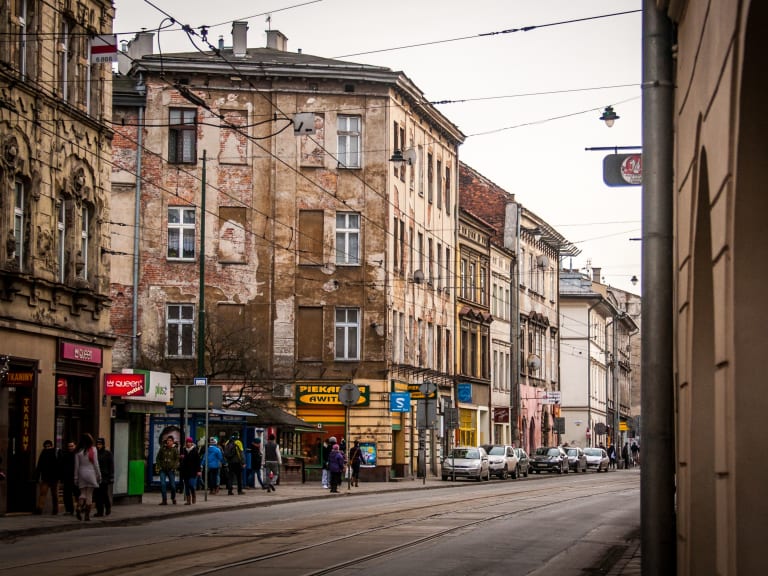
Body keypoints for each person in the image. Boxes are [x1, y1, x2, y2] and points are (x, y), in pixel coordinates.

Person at [74, 433, 101, 521]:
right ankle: (87, 515)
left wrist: (76, 477)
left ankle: (78, 507)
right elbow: (96, 464)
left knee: (82, 493)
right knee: (89, 494)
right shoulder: (93, 449)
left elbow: (76, 466)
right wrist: (99, 475)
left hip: (82, 472)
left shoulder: (78, 451)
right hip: (91, 472)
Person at [34, 440, 59, 515]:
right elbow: (39, 466)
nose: (48, 448)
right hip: (47, 477)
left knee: (53, 494)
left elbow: (39, 466)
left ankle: (55, 509)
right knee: (44, 493)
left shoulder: (54, 452)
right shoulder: (45, 453)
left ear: (52, 446)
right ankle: (40, 509)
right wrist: (37, 476)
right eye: (46, 446)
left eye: (49, 446)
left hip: (53, 477)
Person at [156, 435, 179, 505]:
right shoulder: (162, 448)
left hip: (171, 470)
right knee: (163, 484)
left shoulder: (174, 449)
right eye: (168, 440)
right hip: (162, 469)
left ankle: (173, 497)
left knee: (173, 485)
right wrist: (159, 466)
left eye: (170, 441)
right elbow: (158, 458)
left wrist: (174, 467)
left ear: (172, 442)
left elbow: (177, 459)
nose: (168, 442)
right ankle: (164, 500)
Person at [94, 438, 114, 517]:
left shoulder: (107, 453)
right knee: (97, 495)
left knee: (104, 494)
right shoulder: (95, 453)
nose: (98, 446)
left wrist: (111, 476)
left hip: (105, 476)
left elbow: (111, 465)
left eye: (100, 444)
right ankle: (100, 511)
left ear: (103, 444)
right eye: (97, 444)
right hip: (96, 477)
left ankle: (108, 506)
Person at [58, 440, 79, 515]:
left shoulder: (77, 455)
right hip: (67, 478)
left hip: (76, 478)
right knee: (67, 495)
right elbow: (61, 466)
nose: (70, 448)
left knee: (78, 494)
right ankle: (69, 510)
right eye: (69, 446)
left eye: (72, 446)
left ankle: (80, 508)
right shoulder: (65, 455)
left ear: (75, 446)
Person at [180, 437, 201, 505]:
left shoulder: (195, 451)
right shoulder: (183, 450)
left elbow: (198, 461)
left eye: (189, 442)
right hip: (185, 471)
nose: (188, 443)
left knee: (191, 484)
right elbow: (181, 460)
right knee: (186, 485)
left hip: (193, 471)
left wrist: (199, 470)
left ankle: (193, 494)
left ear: (191, 443)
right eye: (187, 442)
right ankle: (188, 500)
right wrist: (181, 458)